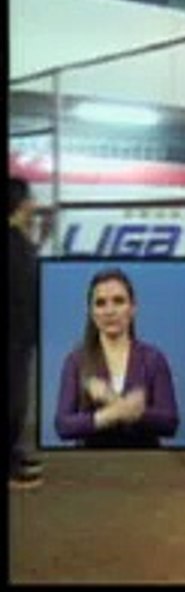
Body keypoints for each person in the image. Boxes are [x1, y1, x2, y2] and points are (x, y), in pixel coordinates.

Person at [54, 268, 180, 448]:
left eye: (118, 301)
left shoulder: (154, 358)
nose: (109, 311)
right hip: (91, 462)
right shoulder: (75, 361)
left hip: (145, 463)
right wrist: (113, 413)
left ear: (133, 308)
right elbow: (63, 426)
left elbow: (169, 423)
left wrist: (112, 400)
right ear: (91, 312)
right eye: (100, 303)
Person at [9, 178, 45, 488]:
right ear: (19, 204)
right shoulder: (13, 243)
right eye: (30, 199)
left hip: (20, 334)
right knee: (13, 399)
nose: (34, 204)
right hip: (14, 335)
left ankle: (14, 453)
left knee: (17, 399)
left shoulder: (19, 240)